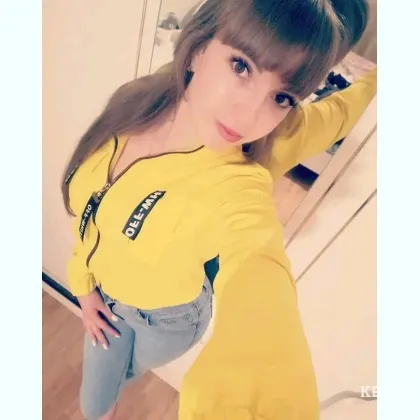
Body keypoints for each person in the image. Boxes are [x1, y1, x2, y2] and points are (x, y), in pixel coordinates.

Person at [61, 0, 376, 419]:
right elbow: (90, 209)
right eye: (241, 66)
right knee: (101, 391)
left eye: (282, 97)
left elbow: (258, 262)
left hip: (169, 319)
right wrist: (82, 282)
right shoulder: (140, 100)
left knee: (99, 395)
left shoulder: (245, 170)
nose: (249, 115)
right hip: (107, 287)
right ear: (198, 49)